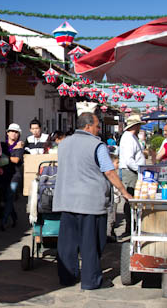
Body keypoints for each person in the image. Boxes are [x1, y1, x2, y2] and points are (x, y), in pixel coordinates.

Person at [52, 112, 133, 290]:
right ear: (88, 126)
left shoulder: (63, 144)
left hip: (66, 200)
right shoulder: (97, 145)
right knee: (91, 243)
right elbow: (109, 172)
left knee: (67, 244)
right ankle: (91, 280)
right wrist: (124, 192)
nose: (98, 129)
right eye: (97, 126)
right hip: (89, 202)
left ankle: (67, 277)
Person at [118, 114, 146, 236]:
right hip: (131, 172)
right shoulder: (128, 139)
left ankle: (132, 225)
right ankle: (130, 226)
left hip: (133, 172)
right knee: (130, 199)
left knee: (132, 200)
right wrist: (140, 170)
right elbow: (129, 160)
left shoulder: (131, 137)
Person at [0, 123, 25, 230]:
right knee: (6, 198)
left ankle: (4, 221)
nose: (14, 134)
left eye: (16, 132)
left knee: (10, 196)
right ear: (7, 133)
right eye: (12, 131)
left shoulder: (19, 146)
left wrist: (4, 158)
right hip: (3, 174)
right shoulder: (2, 145)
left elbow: (16, 160)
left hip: (15, 175)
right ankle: (14, 217)